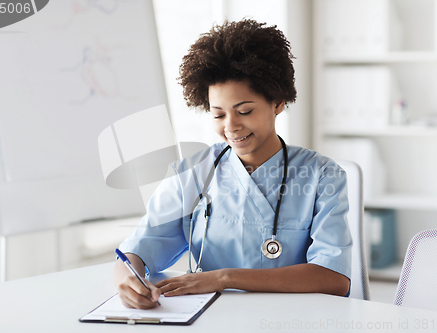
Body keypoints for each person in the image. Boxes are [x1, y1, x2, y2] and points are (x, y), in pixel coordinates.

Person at [113, 19, 352, 309]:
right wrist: (128, 278)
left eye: (245, 111)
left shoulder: (322, 175)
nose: (231, 126)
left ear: (277, 102)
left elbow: (335, 277)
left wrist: (224, 278)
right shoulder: (194, 173)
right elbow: (140, 246)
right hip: (209, 318)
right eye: (218, 115)